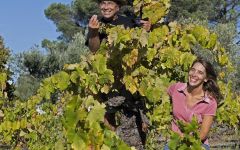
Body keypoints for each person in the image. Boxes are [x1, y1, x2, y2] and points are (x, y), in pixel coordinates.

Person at [165, 58, 222, 150]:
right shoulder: (176, 89)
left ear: (206, 78)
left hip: (197, 143)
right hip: (174, 141)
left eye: (200, 72)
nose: (194, 74)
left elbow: (203, 134)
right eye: (193, 70)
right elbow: (161, 97)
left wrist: (185, 142)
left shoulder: (210, 102)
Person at [87, 0, 151, 52]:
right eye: (103, 3)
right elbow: (93, 50)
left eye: (110, 3)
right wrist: (94, 32)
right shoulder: (95, 24)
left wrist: (145, 31)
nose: (106, 7)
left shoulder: (130, 22)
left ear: (118, 7)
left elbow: (139, 46)